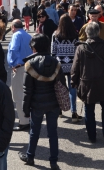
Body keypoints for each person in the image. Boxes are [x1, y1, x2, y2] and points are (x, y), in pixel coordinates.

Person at [71, 22, 104, 143]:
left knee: (88, 109)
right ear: (99, 32)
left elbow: (75, 68)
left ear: (86, 33)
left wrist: (73, 82)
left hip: (87, 83)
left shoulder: (81, 47)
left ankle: (92, 136)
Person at [18, 34, 65, 170]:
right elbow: (61, 84)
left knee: (34, 132)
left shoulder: (29, 64)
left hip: (36, 104)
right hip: (53, 103)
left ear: (34, 48)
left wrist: (25, 109)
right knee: (53, 133)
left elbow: (27, 91)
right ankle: (53, 161)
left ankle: (30, 156)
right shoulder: (56, 63)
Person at [51, 14, 82, 123]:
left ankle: (59, 110)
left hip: (60, 65)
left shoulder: (55, 35)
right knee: (72, 88)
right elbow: (78, 50)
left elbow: (53, 52)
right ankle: (74, 112)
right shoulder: (75, 34)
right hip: (72, 64)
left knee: (59, 88)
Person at [7, 19, 33, 131]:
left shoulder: (16, 35)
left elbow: (13, 49)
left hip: (19, 67)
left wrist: (13, 63)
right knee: (27, 94)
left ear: (13, 27)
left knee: (18, 96)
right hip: (28, 67)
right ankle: (28, 119)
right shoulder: (27, 35)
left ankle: (23, 122)